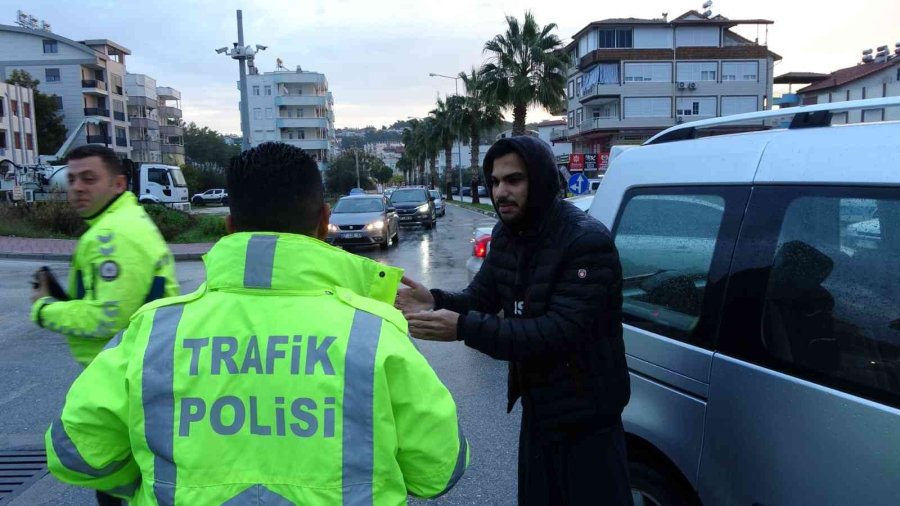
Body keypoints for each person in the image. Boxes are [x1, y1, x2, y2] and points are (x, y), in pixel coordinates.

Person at [45, 142, 468, 504]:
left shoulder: (152, 332)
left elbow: (74, 453)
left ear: (229, 228)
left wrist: (139, 480)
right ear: (324, 223)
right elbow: (438, 472)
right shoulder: (374, 333)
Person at [397, 136, 632, 505]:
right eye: (494, 182)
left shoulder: (585, 242)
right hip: (539, 414)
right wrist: (433, 299)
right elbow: (481, 298)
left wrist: (462, 328)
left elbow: (558, 333)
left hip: (589, 423)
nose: (501, 191)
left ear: (539, 180)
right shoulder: (507, 235)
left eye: (513, 180)